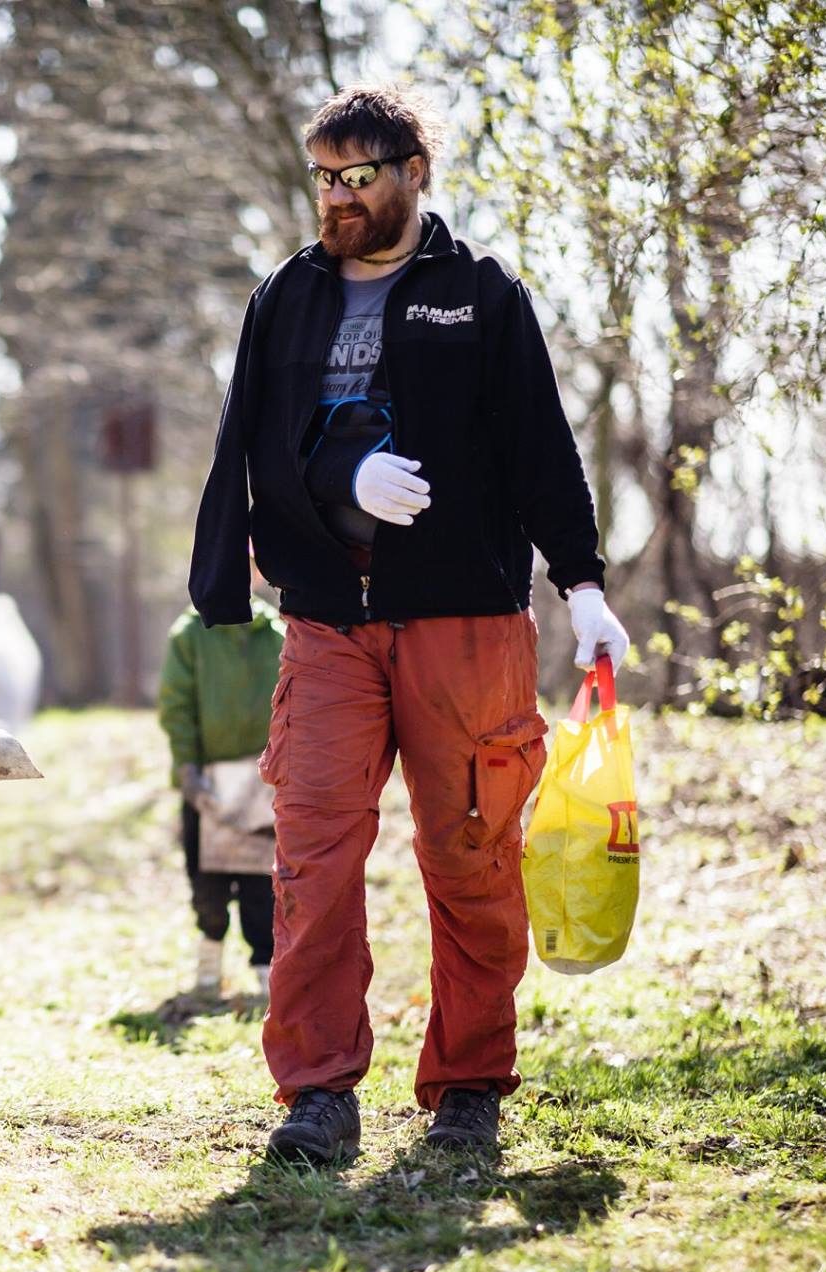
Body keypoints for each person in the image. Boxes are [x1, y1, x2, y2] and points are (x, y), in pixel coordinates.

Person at [188, 84, 631, 1162]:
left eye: (359, 176)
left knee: (471, 854)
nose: (337, 197)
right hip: (329, 623)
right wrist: (230, 571)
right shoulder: (283, 299)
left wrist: (581, 586)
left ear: (411, 173)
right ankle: (318, 1092)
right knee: (313, 857)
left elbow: (538, 449)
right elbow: (247, 439)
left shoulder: (480, 295)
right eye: (324, 177)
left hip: (466, 621)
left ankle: (469, 1086)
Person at [157, 573, 283, 998]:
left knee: (259, 884)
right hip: (207, 782)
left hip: (259, 784)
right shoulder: (191, 633)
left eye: (247, 561)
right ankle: (208, 966)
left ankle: (266, 971)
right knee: (207, 883)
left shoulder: (276, 633)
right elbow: (177, 705)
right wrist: (188, 768)